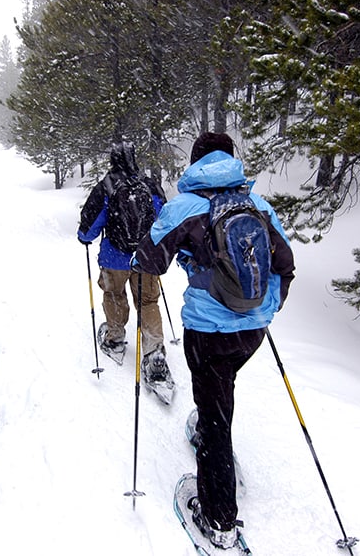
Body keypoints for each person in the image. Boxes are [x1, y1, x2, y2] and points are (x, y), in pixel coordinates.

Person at [134, 132, 295, 550]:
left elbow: (149, 260)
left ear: (196, 162)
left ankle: (219, 519)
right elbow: (285, 263)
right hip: (254, 331)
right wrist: (266, 307)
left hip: (209, 331)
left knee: (214, 414)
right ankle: (212, 428)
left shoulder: (186, 206)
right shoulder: (257, 204)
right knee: (223, 388)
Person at [77, 141, 172, 386]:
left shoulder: (106, 187)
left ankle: (115, 336)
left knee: (114, 294)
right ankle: (154, 352)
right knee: (148, 301)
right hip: (145, 258)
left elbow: (89, 228)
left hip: (114, 258)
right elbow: (165, 219)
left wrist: (84, 237)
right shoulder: (149, 185)